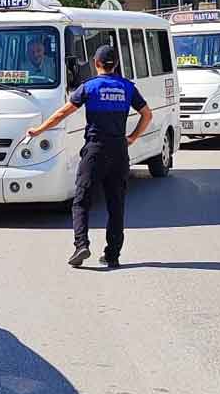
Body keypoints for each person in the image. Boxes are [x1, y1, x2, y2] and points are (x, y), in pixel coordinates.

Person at [27, 45, 152, 269]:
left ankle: (81, 245)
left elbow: (63, 113)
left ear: (96, 64)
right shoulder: (127, 88)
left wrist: (39, 130)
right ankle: (112, 255)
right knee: (116, 204)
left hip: (95, 150)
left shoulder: (89, 87)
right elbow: (147, 114)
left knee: (81, 200)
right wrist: (131, 137)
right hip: (119, 151)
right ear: (115, 64)